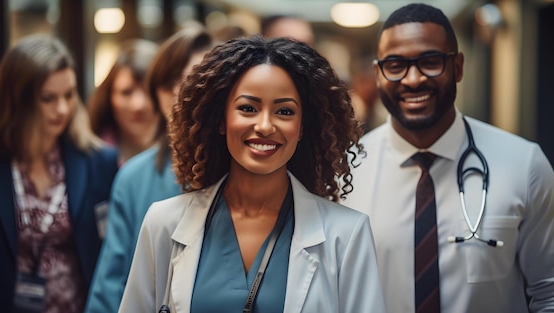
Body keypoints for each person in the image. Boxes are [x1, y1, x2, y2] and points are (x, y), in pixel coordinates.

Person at [119, 36, 385, 313]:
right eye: (248, 108)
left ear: (303, 127)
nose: (265, 125)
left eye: (284, 111)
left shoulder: (346, 235)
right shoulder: (164, 224)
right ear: (221, 120)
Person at [340, 3, 554, 313]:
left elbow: (551, 292)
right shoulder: (346, 173)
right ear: (377, 74)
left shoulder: (525, 166)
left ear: (457, 66)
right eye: (395, 65)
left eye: (430, 62)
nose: (413, 79)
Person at [0, 34, 119, 313]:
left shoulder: (99, 163)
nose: (62, 108)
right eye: (48, 98)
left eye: (69, 95)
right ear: (16, 100)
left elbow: (113, 261)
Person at [84, 26, 214, 313]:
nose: (184, 94)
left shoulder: (248, 170)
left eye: (196, 81)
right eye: (171, 84)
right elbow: (110, 286)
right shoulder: (133, 177)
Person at [87, 39, 159, 165]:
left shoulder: (184, 156)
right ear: (109, 96)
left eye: (148, 91)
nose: (138, 105)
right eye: (126, 92)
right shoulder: (90, 158)